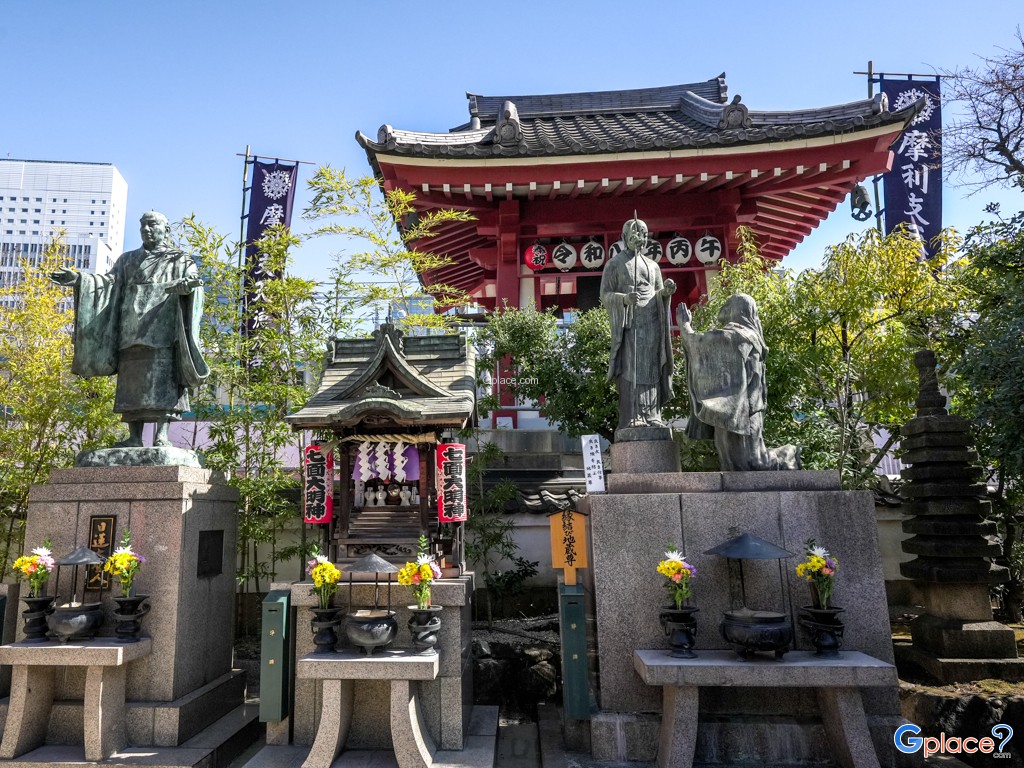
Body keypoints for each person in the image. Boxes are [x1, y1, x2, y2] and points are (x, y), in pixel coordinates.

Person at [51, 211, 209, 449]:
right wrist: (80, 279)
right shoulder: (127, 260)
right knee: (131, 385)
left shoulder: (180, 260)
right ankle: (134, 436)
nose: (146, 229)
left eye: (152, 225)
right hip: (131, 329)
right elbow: (109, 284)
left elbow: (194, 284)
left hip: (162, 330)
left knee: (163, 381)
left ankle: (161, 436)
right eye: (143, 225)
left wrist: (188, 287)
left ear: (165, 230)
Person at [676, 294, 801, 471]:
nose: (723, 309)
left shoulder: (740, 335)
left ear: (738, 309)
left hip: (745, 408)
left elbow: (700, 344)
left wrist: (685, 326)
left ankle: (788, 454)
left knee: (752, 461)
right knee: (731, 461)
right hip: (730, 406)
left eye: (727, 305)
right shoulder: (740, 334)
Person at [600, 216, 676, 430]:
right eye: (634, 232)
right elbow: (605, 294)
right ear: (624, 237)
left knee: (651, 368)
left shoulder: (653, 266)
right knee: (632, 368)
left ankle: (652, 414)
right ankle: (633, 415)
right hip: (630, 324)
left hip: (651, 323)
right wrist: (623, 299)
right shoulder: (614, 264)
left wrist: (666, 292)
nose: (638, 236)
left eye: (642, 233)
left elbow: (658, 292)